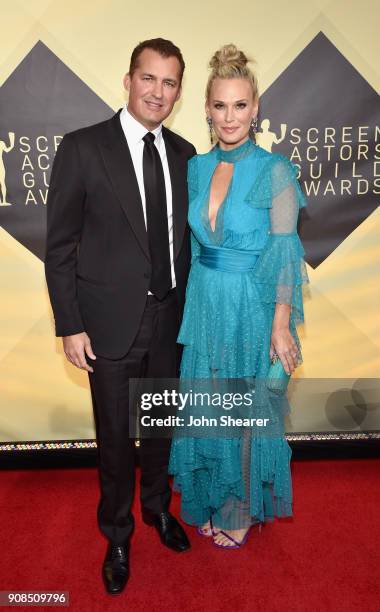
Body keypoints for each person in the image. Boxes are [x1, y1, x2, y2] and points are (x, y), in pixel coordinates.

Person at [45, 38, 196, 594]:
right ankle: (117, 532)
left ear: (179, 91)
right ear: (129, 80)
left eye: (170, 82)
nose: (158, 92)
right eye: (149, 78)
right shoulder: (83, 148)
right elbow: (60, 247)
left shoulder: (185, 156)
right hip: (107, 325)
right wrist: (69, 323)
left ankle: (157, 508)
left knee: (158, 429)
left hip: (170, 321)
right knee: (114, 439)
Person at [169, 44, 309, 548]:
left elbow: (285, 252)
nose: (230, 116)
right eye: (221, 106)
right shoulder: (196, 168)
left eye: (241, 105)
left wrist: (279, 323)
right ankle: (215, 497)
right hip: (206, 301)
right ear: (206, 109)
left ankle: (240, 509)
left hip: (253, 305)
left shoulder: (275, 171)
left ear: (256, 109)